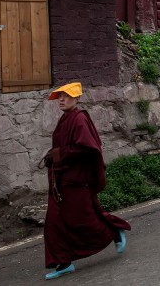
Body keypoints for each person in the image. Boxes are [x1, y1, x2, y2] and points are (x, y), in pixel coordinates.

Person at [42, 82, 131, 280]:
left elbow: (88, 149)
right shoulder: (65, 119)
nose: (62, 100)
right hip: (62, 181)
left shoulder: (79, 119)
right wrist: (53, 156)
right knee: (54, 222)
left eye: (66, 96)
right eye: (60, 97)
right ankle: (63, 262)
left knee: (83, 219)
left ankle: (114, 231)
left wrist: (58, 155)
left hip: (76, 181)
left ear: (77, 97)